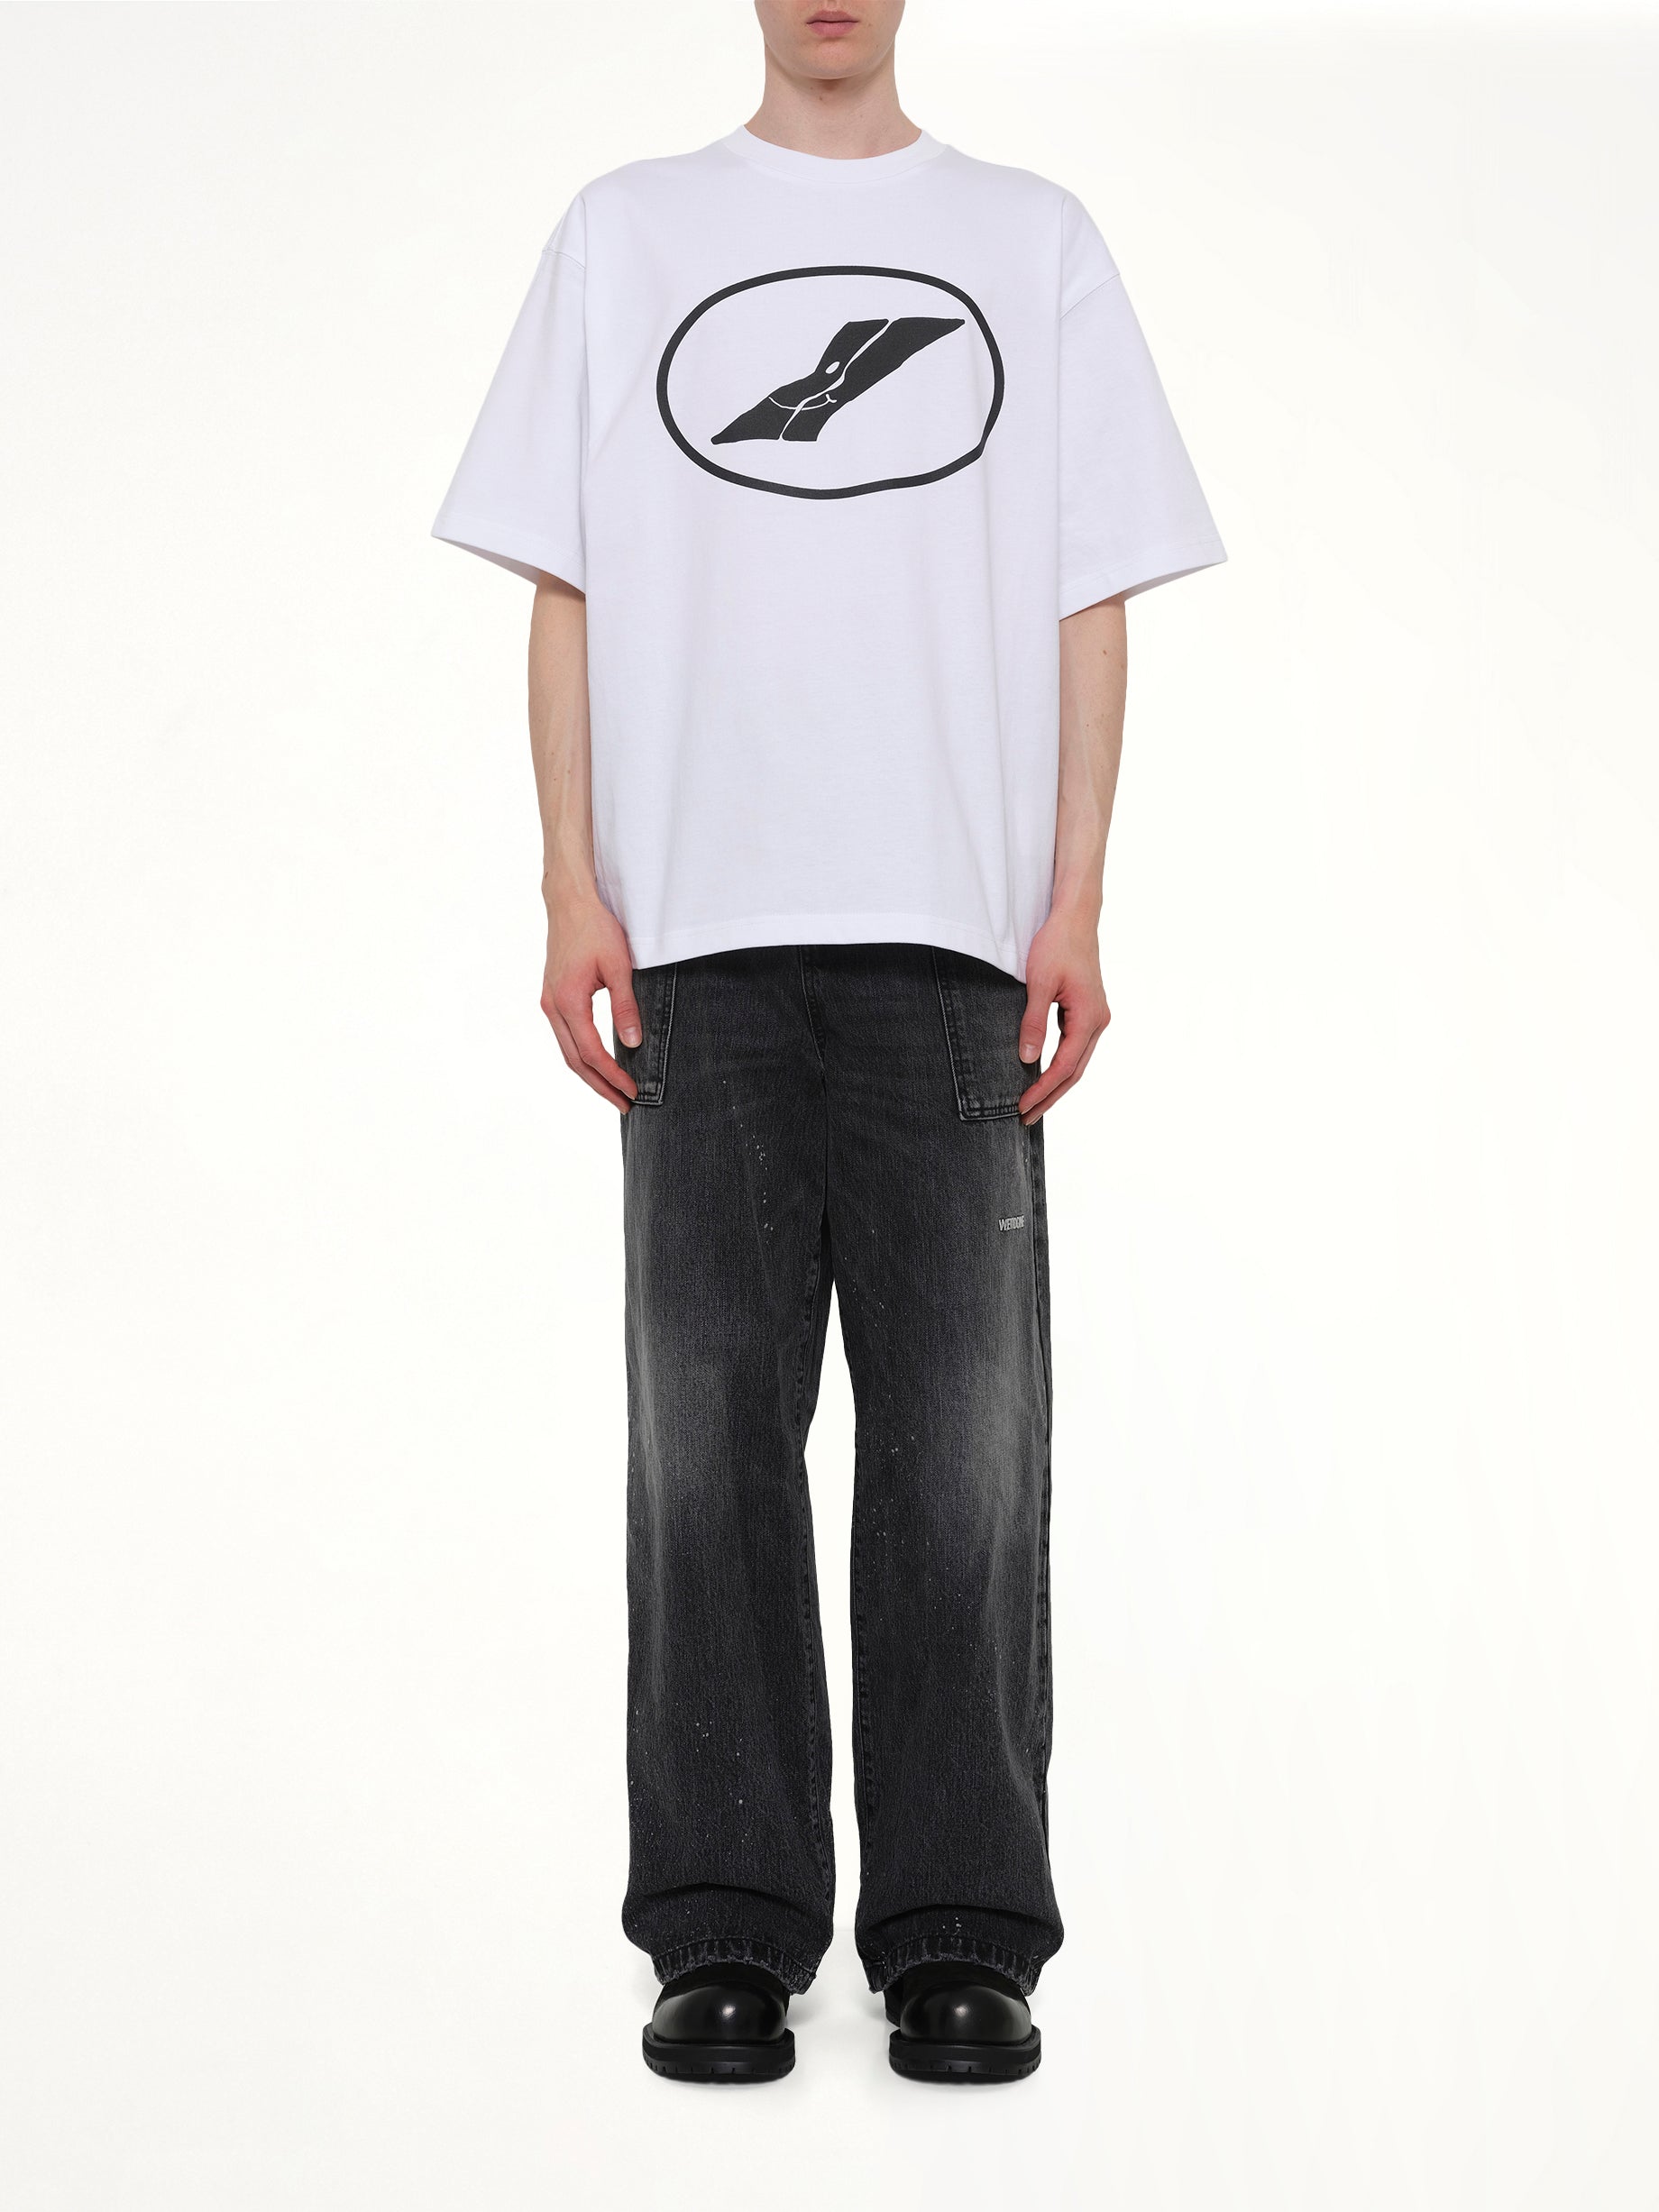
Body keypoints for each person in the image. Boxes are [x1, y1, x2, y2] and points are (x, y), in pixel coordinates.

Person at [433, 0, 1223, 2084]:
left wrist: (1074, 897)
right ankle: (725, 1927)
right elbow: (565, 586)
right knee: (704, 1447)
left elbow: (1085, 594)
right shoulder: (624, 233)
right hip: (695, 939)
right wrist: (569, 884)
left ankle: (959, 1932)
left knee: (962, 1453)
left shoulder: (1029, 238)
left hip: (951, 943)